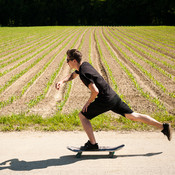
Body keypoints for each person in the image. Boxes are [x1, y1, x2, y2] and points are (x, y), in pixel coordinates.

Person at [55, 49, 172, 150]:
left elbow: (95, 91)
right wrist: (62, 81)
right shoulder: (84, 65)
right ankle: (163, 127)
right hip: (113, 96)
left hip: (104, 99)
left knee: (83, 116)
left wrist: (88, 102)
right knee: (132, 116)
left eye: (67, 60)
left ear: (74, 61)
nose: (67, 63)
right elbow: (73, 75)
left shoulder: (83, 73)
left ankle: (92, 144)